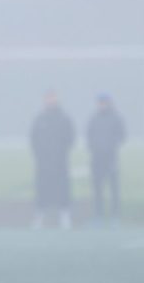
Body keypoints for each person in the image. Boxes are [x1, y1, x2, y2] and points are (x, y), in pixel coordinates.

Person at [30, 91, 75, 229]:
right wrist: (40, 155)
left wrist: (61, 153)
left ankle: (65, 216)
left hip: (60, 162)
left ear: (57, 101)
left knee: (63, 189)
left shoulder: (64, 119)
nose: (50, 101)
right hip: (43, 163)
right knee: (42, 189)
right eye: (48, 99)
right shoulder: (39, 119)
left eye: (53, 99)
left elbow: (70, 138)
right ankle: (39, 217)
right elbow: (33, 139)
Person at [85, 93, 126, 225]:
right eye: (100, 103)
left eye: (104, 102)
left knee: (113, 189)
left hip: (111, 158)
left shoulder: (116, 118)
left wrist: (111, 146)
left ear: (109, 103)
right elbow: (89, 135)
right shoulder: (94, 119)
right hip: (96, 159)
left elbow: (122, 136)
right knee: (97, 189)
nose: (102, 105)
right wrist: (93, 147)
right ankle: (98, 216)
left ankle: (115, 216)